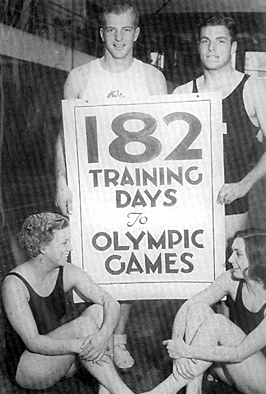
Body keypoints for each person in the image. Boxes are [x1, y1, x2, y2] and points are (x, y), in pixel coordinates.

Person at [55, 1, 167, 370]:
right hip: (92, 189)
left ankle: (118, 340)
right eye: (111, 30)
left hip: (136, 187)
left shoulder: (152, 78)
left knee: (130, 263)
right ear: (101, 33)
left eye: (126, 30)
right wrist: (61, 182)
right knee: (96, 265)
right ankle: (98, 335)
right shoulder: (81, 77)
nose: (119, 38)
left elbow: (164, 141)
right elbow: (64, 136)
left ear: (136, 33)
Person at [1, 212, 161, 394]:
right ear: (43, 247)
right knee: (83, 328)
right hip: (29, 367)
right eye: (64, 242)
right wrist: (82, 345)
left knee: (98, 311)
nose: (71, 247)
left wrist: (102, 337)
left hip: (61, 359)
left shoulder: (67, 271)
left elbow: (110, 302)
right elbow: (34, 342)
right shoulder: (14, 284)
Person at [138, 228, 266, 394]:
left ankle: (162, 393)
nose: (230, 259)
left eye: (237, 254)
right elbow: (187, 307)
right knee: (197, 310)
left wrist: (187, 351)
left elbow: (240, 353)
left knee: (218, 323)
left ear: (258, 259)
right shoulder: (232, 279)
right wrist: (178, 349)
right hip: (228, 366)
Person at [173, 15, 266, 242]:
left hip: (231, 201)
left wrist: (245, 184)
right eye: (205, 41)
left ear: (233, 46)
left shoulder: (253, 89)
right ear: (198, 46)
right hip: (188, 201)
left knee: (229, 266)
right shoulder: (182, 93)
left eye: (221, 41)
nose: (212, 48)